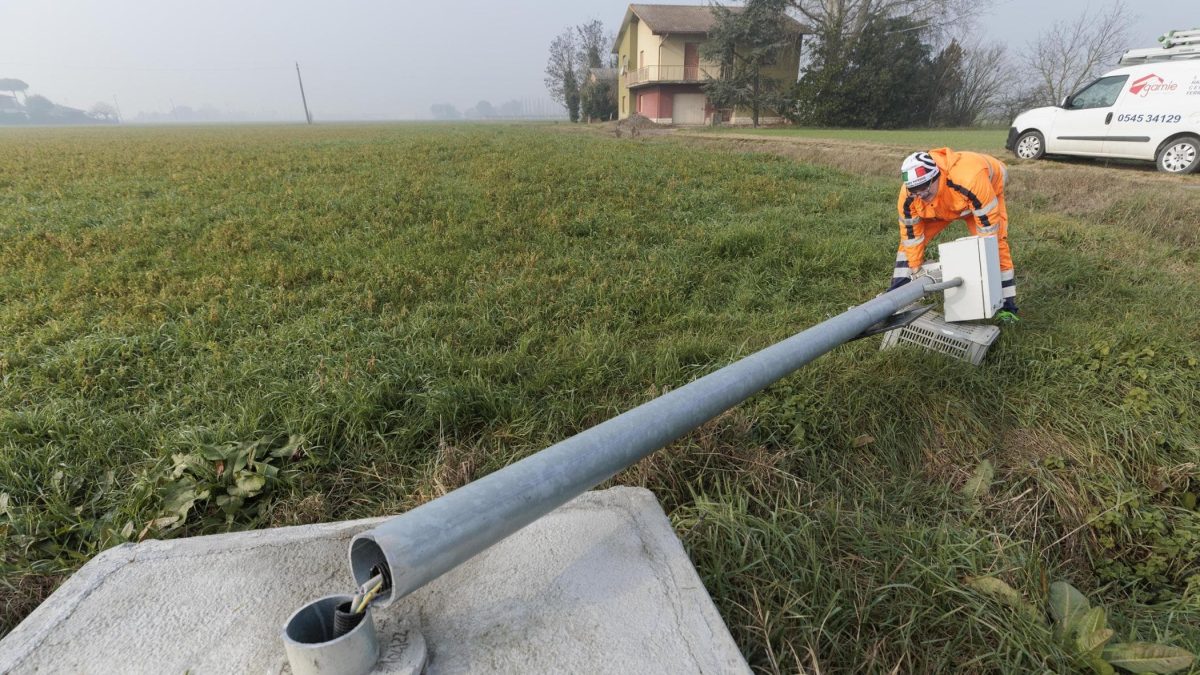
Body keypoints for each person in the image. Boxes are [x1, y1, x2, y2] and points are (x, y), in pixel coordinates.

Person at [889, 148, 1019, 323]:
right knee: (907, 247)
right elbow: (911, 236)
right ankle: (896, 296)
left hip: (982, 194)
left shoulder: (970, 178)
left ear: (937, 176)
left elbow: (987, 233)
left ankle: (1006, 307)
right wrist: (914, 267)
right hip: (945, 204)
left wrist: (982, 261)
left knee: (995, 246)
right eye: (914, 190)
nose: (920, 194)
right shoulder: (910, 196)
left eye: (923, 188)